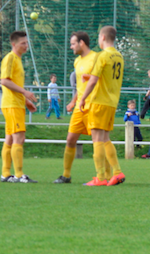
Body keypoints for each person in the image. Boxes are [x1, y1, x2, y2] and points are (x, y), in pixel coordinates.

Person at [80, 26, 127, 187]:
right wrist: (91, 76)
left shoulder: (102, 55)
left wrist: (83, 98)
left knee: (97, 140)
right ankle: (117, 172)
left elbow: (93, 81)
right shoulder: (119, 56)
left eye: (99, 37)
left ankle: (100, 177)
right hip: (112, 103)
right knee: (105, 139)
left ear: (103, 38)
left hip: (99, 101)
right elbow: (105, 77)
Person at [55, 32, 95, 184]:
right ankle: (66, 175)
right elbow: (79, 87)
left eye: (73, 43)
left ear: (82, 43)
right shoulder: (77, 62)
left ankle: (107, 175)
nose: (71, 46)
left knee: (100, 140)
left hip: (93, 105)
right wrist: (73, 102)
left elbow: (99, 81)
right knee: (70, 139)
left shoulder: (95, 58)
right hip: (80, 106)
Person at [0, 31, 39, 183]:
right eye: (23, 43)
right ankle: (19, 175)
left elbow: (13, 83)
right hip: (11, 104)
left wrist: (25, 101)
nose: (26, 46)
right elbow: (4, 81)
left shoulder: (18, 59)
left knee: (10, 138)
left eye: (26, 43)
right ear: (14, 44)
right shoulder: (10, 58)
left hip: (15, 103)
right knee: (19, 138)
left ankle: (5, 173)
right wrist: (25, 92)